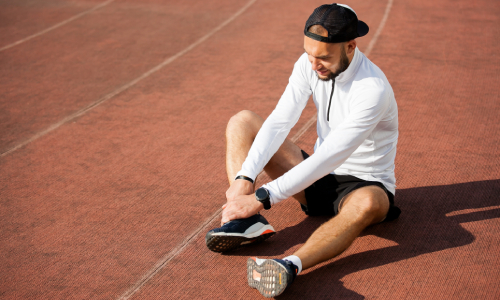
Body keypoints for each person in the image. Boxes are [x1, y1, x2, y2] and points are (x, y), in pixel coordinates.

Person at [205, 3, 401, 297]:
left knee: (368, 205)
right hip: (317, 179)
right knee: (242, 121)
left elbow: (331, 154)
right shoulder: (308, 63)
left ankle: (289, 266)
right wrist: (245, 177)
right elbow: (280, 121)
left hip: (365, 183)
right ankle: (246, 223)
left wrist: (263, 196)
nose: (313, 65)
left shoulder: (372, 90)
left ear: (350, 47)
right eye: (309, 54)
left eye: (323, 57)